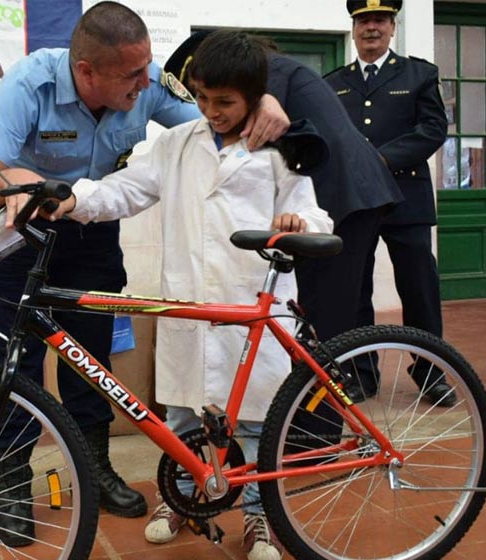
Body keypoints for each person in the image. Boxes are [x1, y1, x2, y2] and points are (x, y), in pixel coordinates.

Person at [0, 1, 290, 548]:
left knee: (89, 355)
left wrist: (266, 100)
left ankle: (93, 469)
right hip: (23, 224)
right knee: (12, 361)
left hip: (90, 222)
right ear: (87, 71)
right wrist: (18, 176)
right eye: (132, 75)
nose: (148, 82)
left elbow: (215, 134)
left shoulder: (150, 81)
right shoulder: (28, 84)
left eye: (148, 69)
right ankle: (14, 484)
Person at [52, 30, 333, 560]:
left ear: (254, 96)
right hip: (187, 304)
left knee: (254, 425)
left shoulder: (279, 152)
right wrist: (74, 199)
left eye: (224, 102)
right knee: (180, 419)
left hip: (249, 304)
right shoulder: (177, 144)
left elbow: (315, 213)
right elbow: (127, 189)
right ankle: (179, 499)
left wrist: (298, 220)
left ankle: (257, 517)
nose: (211, 111)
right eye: (202, 98)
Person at [325, 0, 452, 405]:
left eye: (379, 20)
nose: (371, 28)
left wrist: (380, 159)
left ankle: (431, 373)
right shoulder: (333, 82)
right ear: (354, 28)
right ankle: (361, 375)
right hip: (355, 202)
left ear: (392, 27)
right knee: (354, 289)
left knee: (419, 290)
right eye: (363, 21)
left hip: (406, 197)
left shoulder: (419, 74)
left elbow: (433, 129)